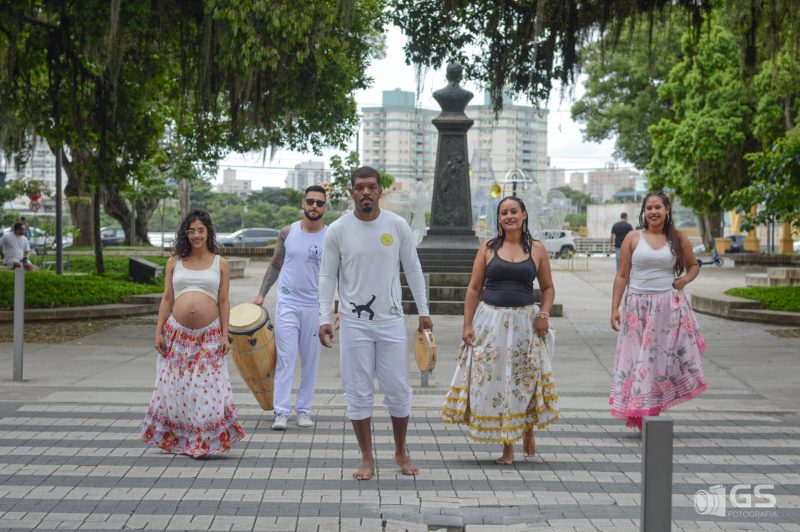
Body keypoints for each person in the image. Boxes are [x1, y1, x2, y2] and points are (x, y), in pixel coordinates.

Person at [318, 166, 432, 480]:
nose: (365, 192)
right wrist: (323, 317)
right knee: (357, 392)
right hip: (354, 323)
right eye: (359, 187)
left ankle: (399, 451)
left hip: (391, 321)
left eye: (371, 187)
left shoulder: (397, 226)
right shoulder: (338, 230)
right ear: (351, 192)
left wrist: (424, 311)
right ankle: (367, 458)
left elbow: (413, 269)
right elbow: (327, 276)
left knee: (397, 389)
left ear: (381, 190)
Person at [442, 196, 560, 465]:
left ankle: (527, 430)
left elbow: (548, 287)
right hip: (490, 323)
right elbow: (473, 288)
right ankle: (507, 447)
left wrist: (544, 313)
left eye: (514, 212)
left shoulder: (538, 249)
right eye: (504, 212)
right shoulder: (487, 247)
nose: (509, 216)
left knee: (522, 380)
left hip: (525, 324)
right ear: (498, 218)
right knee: (497, 381)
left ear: (524, 215)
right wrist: (467, 324)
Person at [141, 209, 245, 457]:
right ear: (185, 234)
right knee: (178, 387)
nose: (196, 235)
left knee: (204, 387)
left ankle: (202, 442)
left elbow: (223, 301)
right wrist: (158, 332)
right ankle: (178, 438)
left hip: (209, 335)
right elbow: (167, 298)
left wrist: (225, 334)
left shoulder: (221, 263)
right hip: (177, 334)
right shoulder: (174, 261)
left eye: (201, 230)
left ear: (208, 232)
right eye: (191, 231)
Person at [610, 192, 707, 430]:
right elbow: (622, 275)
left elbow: (693, 266)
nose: (653, 212)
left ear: (667, 210)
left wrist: (683, 281)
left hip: (667, 308)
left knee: (660, 361)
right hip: (636, 307)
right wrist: (615, 308)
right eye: (649, 208)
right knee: (637, 361)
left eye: (658, 208)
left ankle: (653, 407)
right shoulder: (633, 238)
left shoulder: (678, 238)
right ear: (644, 212)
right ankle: (641, 408)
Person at [253, 185, 329, 431]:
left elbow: (339, 275)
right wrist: (261, 295)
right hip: (287, 303)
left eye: (319, 203)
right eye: (310, 202)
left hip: (314, 307)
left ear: (325, 207)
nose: (314, 207)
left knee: (311, 360)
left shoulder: (331, 236)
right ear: (303, 203)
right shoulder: (287, 232)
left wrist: (336, 311)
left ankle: (304, 410)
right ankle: (282, 412)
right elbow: (276, 264)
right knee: (286, 359)